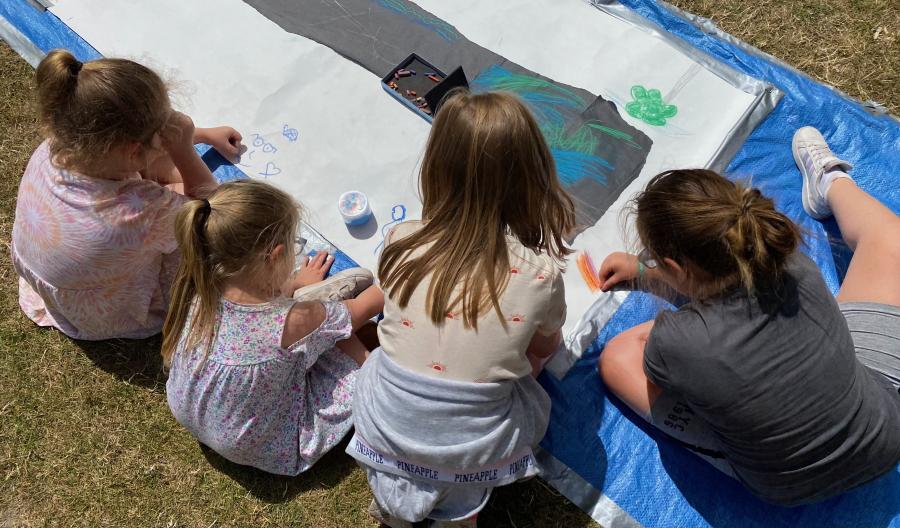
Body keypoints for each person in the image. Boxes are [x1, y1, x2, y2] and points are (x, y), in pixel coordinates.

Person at [596, 126, 900, 506]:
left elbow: (687, 358)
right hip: (884, 435)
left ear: (673, 265)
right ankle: (831, 182)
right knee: (892, 241)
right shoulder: (793, 264)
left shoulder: (678, 342)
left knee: (617, 356)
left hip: (786, 484)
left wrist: (645, 275)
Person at [347, 91, 574, 527]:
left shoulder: (401, 241)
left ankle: (398, 504)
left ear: (436, 169)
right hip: (470, 452)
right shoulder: (540, 275)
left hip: (382, 431)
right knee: (527, 380)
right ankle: (456, 513)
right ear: (532, 178)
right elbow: (545, 348)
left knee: (385, 361)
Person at [11, 49, 242, 340]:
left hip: (59, 287)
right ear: (134, 151)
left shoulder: (56, 148)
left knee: (167, 193)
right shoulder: (137, 211)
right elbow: (211, 212)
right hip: (106, 311)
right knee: (203, 235)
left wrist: (204, 135)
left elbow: (138, 149)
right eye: (164, 134)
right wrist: (184, 150)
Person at [163, 179, 383, 476]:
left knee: (324, 330)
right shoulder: (290, 322)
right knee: (367, 365)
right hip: (263, 444)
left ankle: (319, 308)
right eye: (295, 245)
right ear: (276, 255)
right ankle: (347, 341)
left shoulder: (203, 283)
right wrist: (406, 269)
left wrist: (293, 283)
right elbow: (365, 306)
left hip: (194, 408)